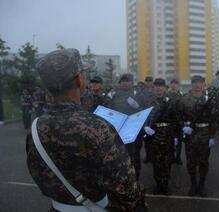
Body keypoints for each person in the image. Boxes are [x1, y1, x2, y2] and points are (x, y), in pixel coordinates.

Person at [26, 48, 146, 211]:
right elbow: (127, 190)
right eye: (83, 73)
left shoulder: (35, 127)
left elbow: (39, 174)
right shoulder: (98, 127)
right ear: (79, 80)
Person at [180, 75, 219, 197]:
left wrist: (212, 136)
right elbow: (178, 115)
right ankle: (193, 185)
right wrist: (183, 127)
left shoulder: (210, 99)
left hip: (205, 134)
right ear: (191, 84)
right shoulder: (184, 99)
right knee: (191, 162)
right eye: (195, 83)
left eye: (200, 82)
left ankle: (201, 185)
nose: (197, 85)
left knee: (203, 162)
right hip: (190, 134)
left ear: (203, 84)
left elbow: (215, 118)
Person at [143, 78, 179, 195]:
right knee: (156, 161)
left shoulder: (171, 101)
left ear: (165, 88)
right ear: (153, 88)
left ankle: (166, 185)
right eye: (156, 86)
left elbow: (176, 120)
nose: (158, 88)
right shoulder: (148, 102)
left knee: (167, 161)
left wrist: (176, 136)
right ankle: (158, 185)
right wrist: (145, 127)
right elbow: (142, 117)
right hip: (153, 135)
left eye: (161, 86)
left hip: (168, 134)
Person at [109, 73, 144, 180]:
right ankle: (122, 178)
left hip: (133, 131)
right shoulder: (114, 95)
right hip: (118, 130)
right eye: (123, 81)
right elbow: (109, 111)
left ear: (132, 83)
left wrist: (137, 107)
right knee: (119, 155)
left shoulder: (138, 94)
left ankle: (135, 178)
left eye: (128, 81)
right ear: (120, 83)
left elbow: (145, 111)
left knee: (134, 155)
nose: (125, 83)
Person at [167, 79, 184, 165]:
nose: (174, 85)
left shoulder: (181, 95)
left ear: (178, 85)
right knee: (170, 140)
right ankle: (171, 156)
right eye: (172, 83)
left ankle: (178, 157)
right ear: (170, 85)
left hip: (179, 122)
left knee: (179, 141)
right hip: (170, 122)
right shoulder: (166, 95)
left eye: (176, 83)